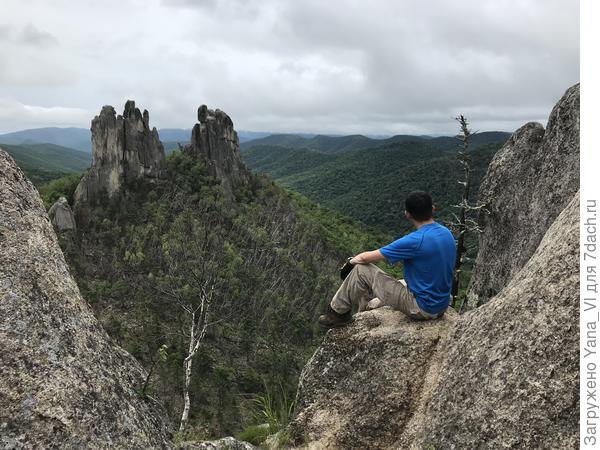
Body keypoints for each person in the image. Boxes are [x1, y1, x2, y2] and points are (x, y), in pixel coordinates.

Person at [318, 191, 456, 328]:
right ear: (433, 209)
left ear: (407, 214)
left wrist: (350, 263)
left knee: (361, 270)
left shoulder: (414, 241)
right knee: (394, 281)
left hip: (422, 308)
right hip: (441, 304)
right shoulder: (446, 233)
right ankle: (366, 308)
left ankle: (337, 313)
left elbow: (364, 258)